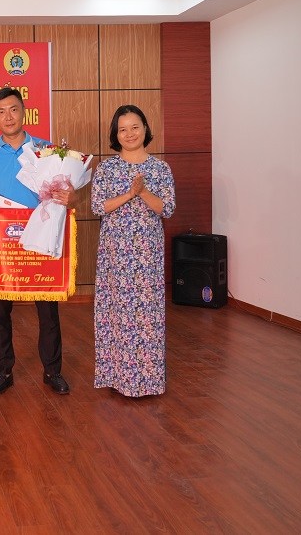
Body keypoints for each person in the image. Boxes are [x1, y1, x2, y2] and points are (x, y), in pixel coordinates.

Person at [0, 87, 74, 396]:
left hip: (41, 238)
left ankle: (52, 371)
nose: (8, 117)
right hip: (3, 244)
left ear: (24, 111)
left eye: (13, 109)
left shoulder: (46, 150)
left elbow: (64, 190)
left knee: (48, 310)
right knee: (0, 311)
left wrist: (68, 195)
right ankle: (3, 371)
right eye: (1, 111)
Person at [91, 105, 175, 397]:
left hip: (147, 254)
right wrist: (129, 194)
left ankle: (149, 380)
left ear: (145, 129)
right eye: (123, 129)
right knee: (117, 312)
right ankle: (117, 377)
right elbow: (98, 207)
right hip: (115, 253)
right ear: (116, 134)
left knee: (147, 314)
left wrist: (144, 192)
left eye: (135, 127)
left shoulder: (160, 169)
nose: (129, 134)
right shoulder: (106, 169)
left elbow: (167, 209)